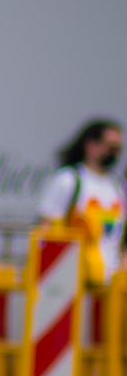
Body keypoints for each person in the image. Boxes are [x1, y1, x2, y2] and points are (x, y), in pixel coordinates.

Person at [38, 117, 124, 274]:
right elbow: (46, 229)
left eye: (119, 149)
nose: (116, 154)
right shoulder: (69, 180)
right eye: (111, 147)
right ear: (91, 146)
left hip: (110, 279)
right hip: (73, 276)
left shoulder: (118, 186)